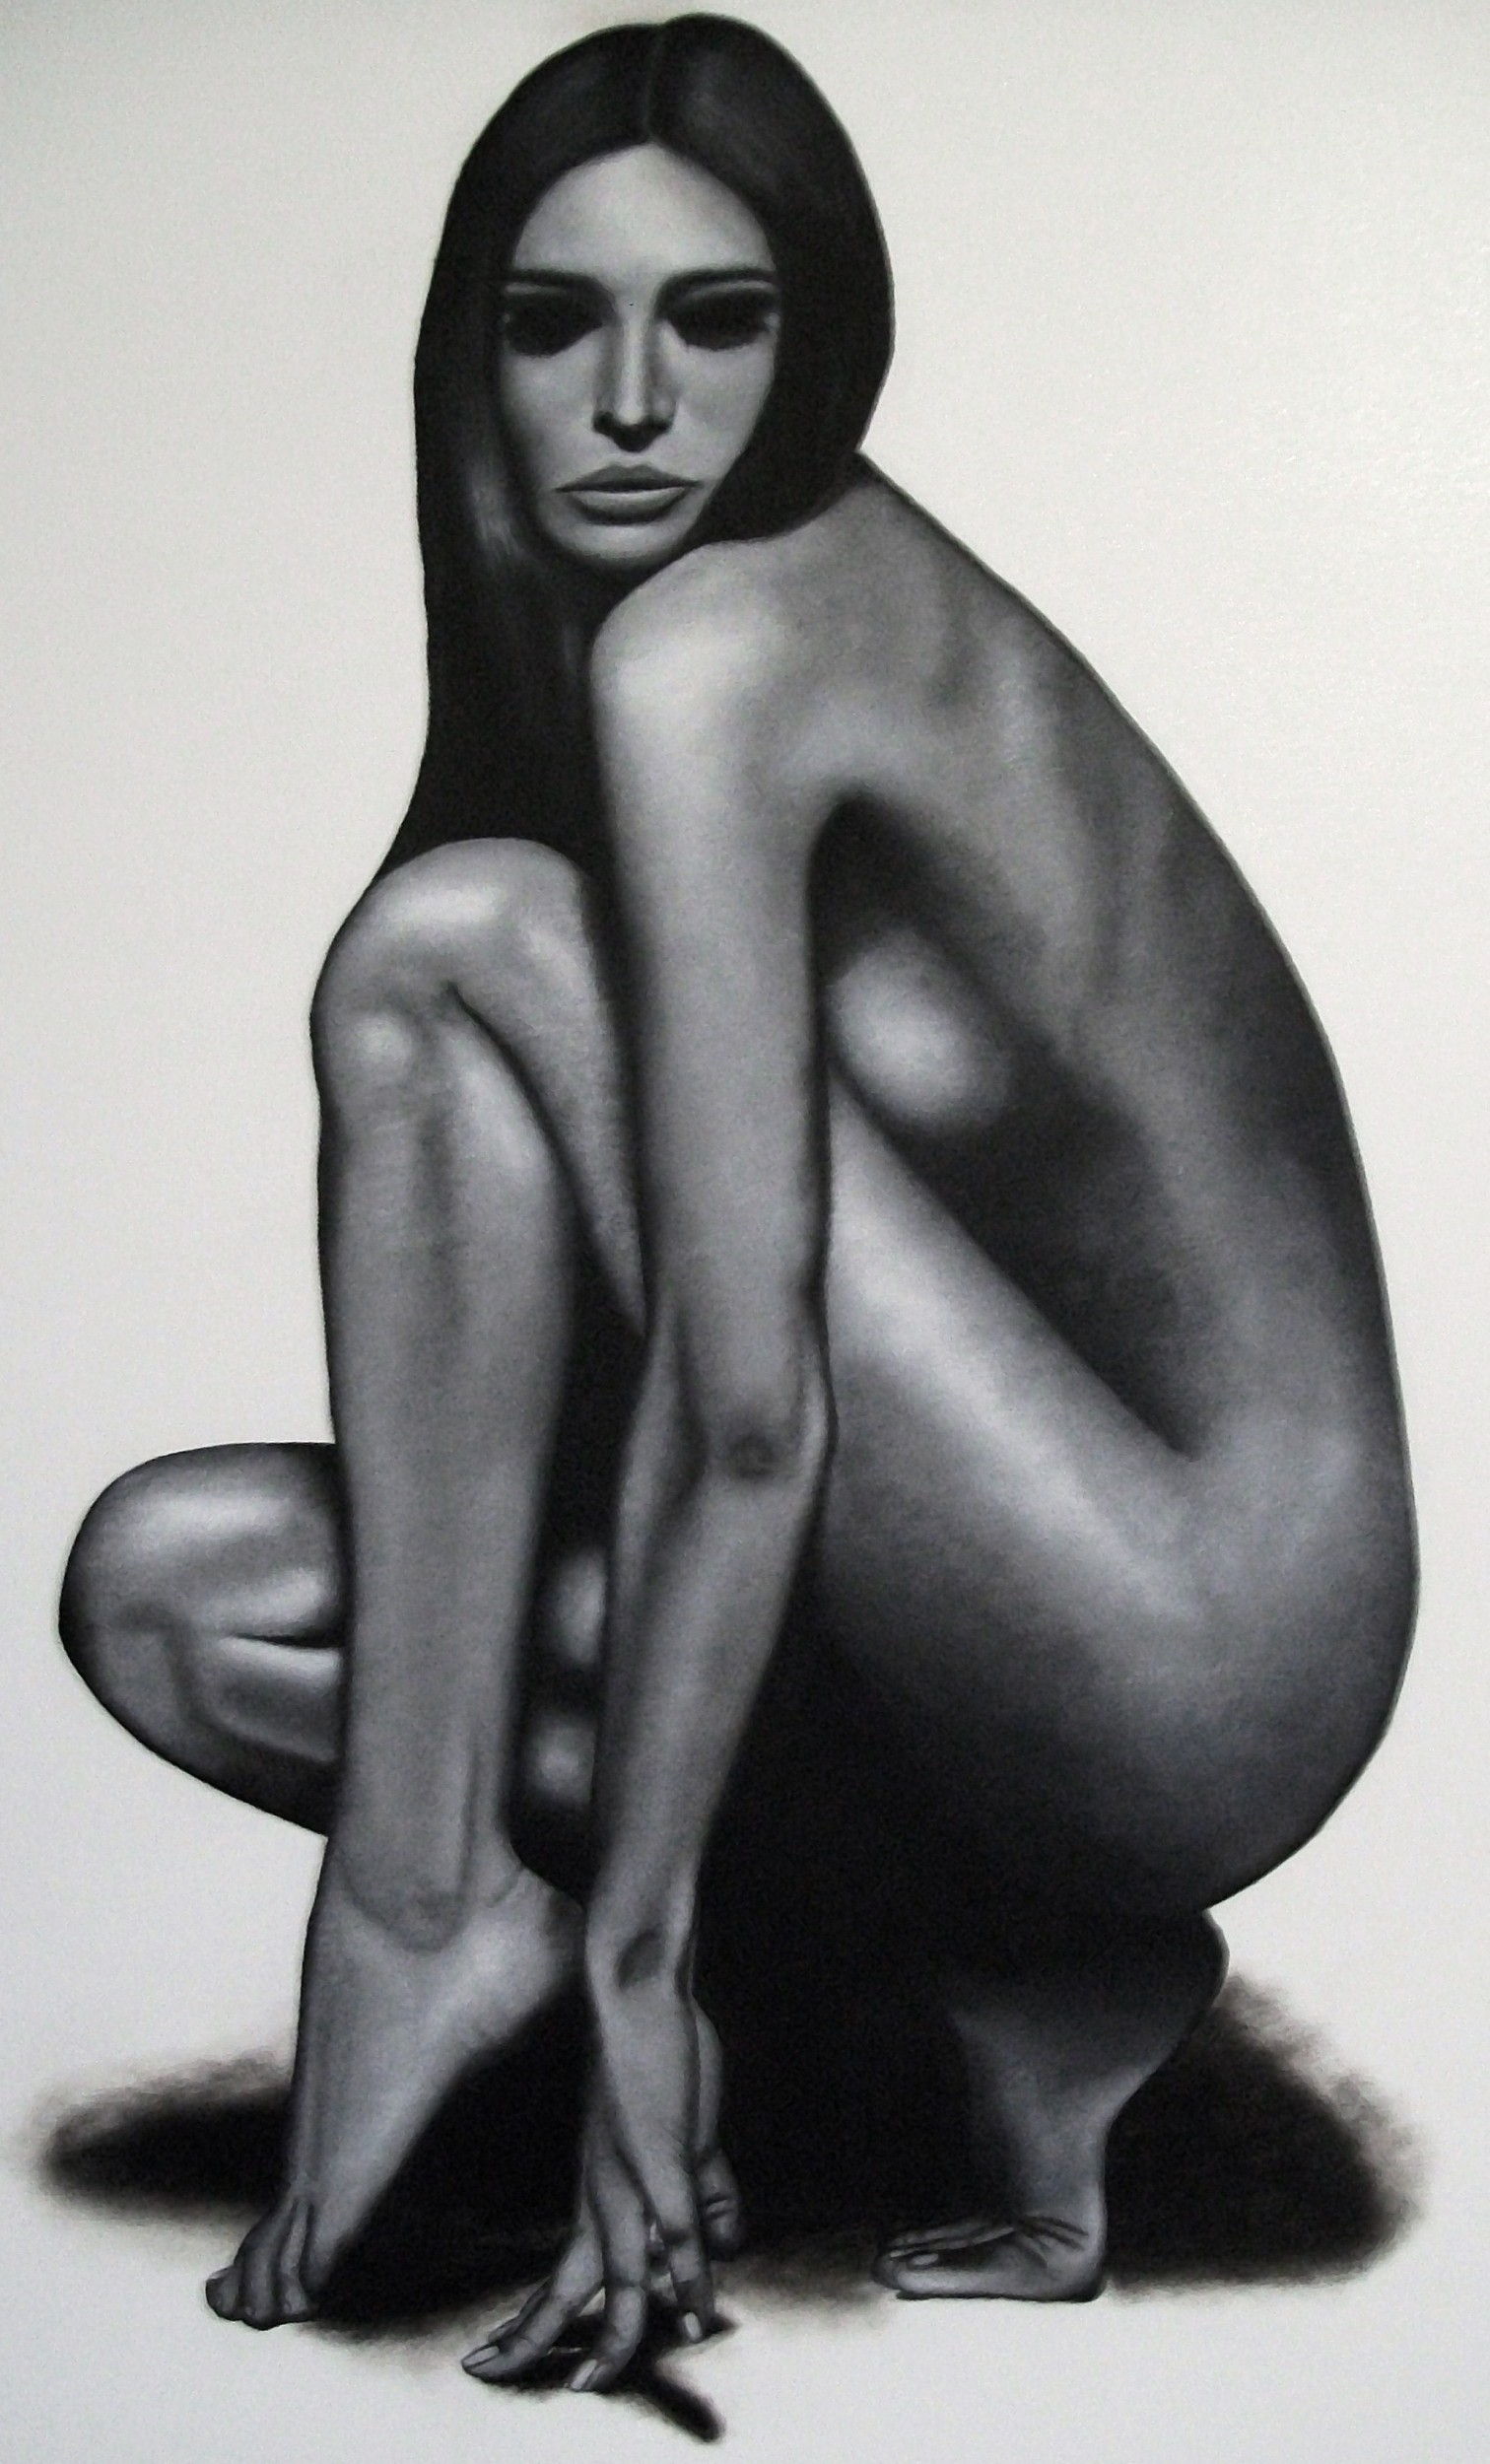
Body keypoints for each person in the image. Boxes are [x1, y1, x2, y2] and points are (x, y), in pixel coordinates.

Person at [58, 12, 1415, 2392]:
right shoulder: (636, 645)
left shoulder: (731, 641)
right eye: (551, 323)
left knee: (455, 944)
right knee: (175, 1597)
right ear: (469, 354)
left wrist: (635, 1960)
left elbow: (751, 1399)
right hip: (998, 1581)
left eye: (716, 320)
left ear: (820, 342)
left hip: (1205, 1621)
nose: (628, 403)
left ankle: (449, 1908)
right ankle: (1009, 1966)